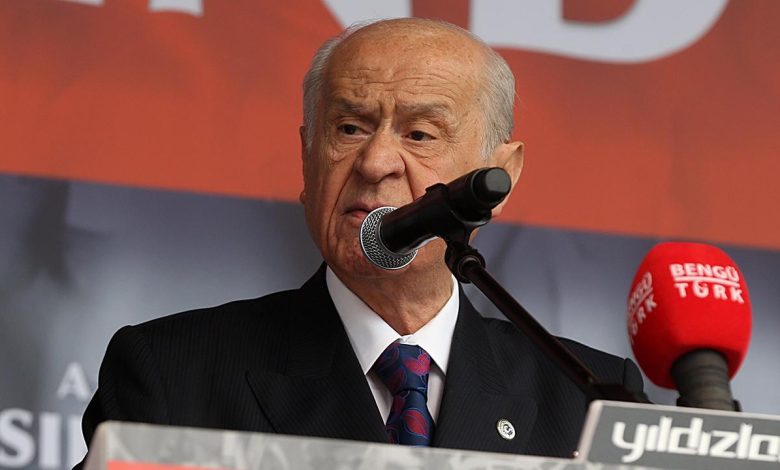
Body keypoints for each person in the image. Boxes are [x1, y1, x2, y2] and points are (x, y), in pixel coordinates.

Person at [77, 17, 643, 465]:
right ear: (307, 158)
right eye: (349, 129)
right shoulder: (172, 372)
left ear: (499, 177)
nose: (374, 163)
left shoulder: (591, 397)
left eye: (419, 134)